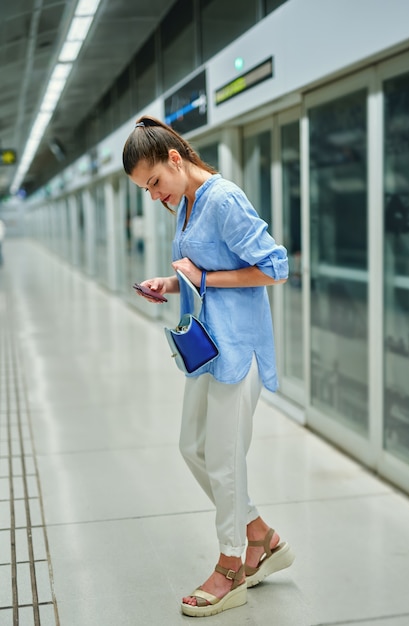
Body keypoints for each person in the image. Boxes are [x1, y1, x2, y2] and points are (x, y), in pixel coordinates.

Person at [123, 115, 295, 618]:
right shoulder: (185, 204)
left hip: (239, 350)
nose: (154, 196)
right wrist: (171, 283)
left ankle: (231, 567)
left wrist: (204, 278)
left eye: (154, 183)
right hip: (207, 349)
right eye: (145, 190)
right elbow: (202, 271)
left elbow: (275, 268)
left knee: (223, 459)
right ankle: (262, 536)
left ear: (175, 159)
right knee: (192, 447)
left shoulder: (223, 199)